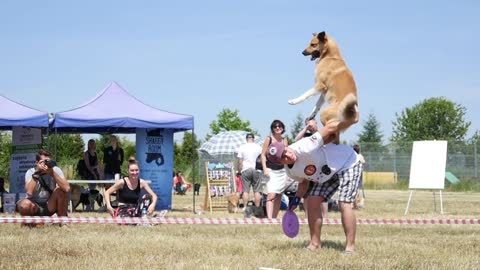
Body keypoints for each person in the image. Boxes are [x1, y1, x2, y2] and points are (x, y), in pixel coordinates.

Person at [267, 119, 362, 254]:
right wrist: (296, 199)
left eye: (286, 151)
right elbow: (304, 182)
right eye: (283, 158)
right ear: (280, 163)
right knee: (312, 201)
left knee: (344, 203)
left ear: (287, 146)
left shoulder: (305, 145)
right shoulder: (291, 171)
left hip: (347, 162)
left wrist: (349, 120)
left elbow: (331, 130)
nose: (288, 156)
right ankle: (315, 244)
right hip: (326, 174)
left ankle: (350, 248)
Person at [17, 149, 71, 217]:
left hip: (50, 204)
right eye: (44, 161)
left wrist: (52, 173)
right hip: (34, 206)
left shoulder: (55, 170)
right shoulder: (30, 172)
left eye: (48, 161)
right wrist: (37, 173)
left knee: (60, 190)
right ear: (37, 162)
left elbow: (67, 188)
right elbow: (29, 192)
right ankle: (30, 222)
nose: (46, 164)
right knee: (24, 204)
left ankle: (62, 221)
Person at [294, 117, 328, 219]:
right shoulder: (306, 136)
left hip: (321, 167)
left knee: (322, 194)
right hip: (308, 169)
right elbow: (296, 140)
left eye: (312, 124)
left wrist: (316, 129)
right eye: (308, 125)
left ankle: (325, 217)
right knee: (306, 194)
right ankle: (307, 216)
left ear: (316, 123)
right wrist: (306, 128)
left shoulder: (321, 133)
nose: (310, 127)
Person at [261, 120, 288, 219]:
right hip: (270, 170)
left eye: (279, 126)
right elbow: (263, 155)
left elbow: (286, 155)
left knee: (278, 196)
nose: (277, 128)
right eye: (275, 126)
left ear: (282, 128)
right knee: (271, 195)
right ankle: (269, 218)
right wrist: (265, 169)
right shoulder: (269, 139)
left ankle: (274, 218)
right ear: (272, 129)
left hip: (282, 171)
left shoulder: (284, 139)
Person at [237, 133, 262, 210]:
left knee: (245, 190)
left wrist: (239, 171)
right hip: (256, 169)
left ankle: (245, 207)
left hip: (246, 169)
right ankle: (257, 208)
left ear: (246, 139)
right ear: (253, 139)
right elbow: (262, 159)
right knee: (257, 191)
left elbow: (240, 162)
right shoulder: (259, 147)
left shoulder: (242, 147)